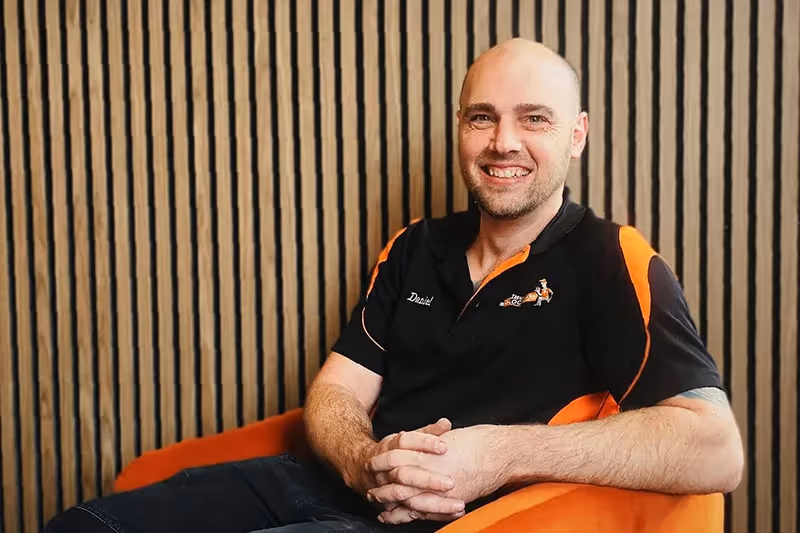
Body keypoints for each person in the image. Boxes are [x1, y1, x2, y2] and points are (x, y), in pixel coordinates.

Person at [44, 37, 743, 533]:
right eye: (482, 117)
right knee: (81, 524)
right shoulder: (415, 246)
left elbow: (716, 448)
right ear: (461, 130)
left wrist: (496, 453)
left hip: (454, 521)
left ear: (577, 135)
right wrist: (362, 459)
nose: (504, 141)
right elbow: (336, 391)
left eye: (534, 118)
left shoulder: (608, 256)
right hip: (324, 485)